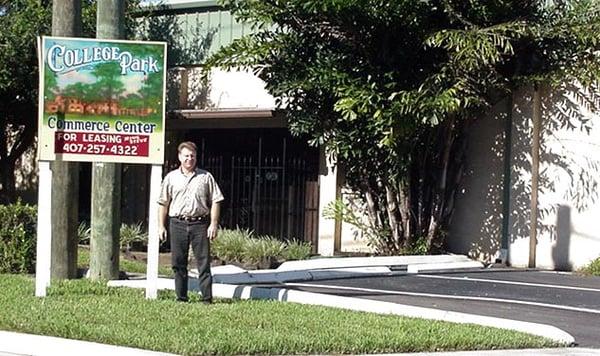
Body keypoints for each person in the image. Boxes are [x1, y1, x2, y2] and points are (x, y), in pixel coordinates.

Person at [158, 141, 224, 303]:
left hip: (200, 224)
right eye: (186, 156)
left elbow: (216, 200)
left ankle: (207, 298)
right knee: (178, 263)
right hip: (177, 223)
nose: (189, 159)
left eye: (192, 156)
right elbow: (163, 203)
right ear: (180, 157)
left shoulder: (205, 177)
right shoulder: (171, 177)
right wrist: (161, 225)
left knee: (203, 262)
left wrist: (213, 223)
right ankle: (181, 297)